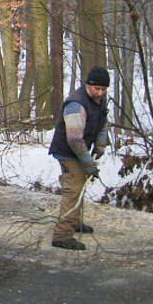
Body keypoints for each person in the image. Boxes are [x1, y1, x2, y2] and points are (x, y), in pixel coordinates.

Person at [48, 65, 110, 251]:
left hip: (79, 148)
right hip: (67, 151)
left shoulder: (99, 99)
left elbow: (103, 121)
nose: (100, 93)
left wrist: (100, 143)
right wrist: (88, 163)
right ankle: (62, 235)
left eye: (103, 89)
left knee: (80, 184)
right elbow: (74, 140)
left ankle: (73, 222)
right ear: (87, 85)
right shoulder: (76, 104)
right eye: (96, 89)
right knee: (73, 189)